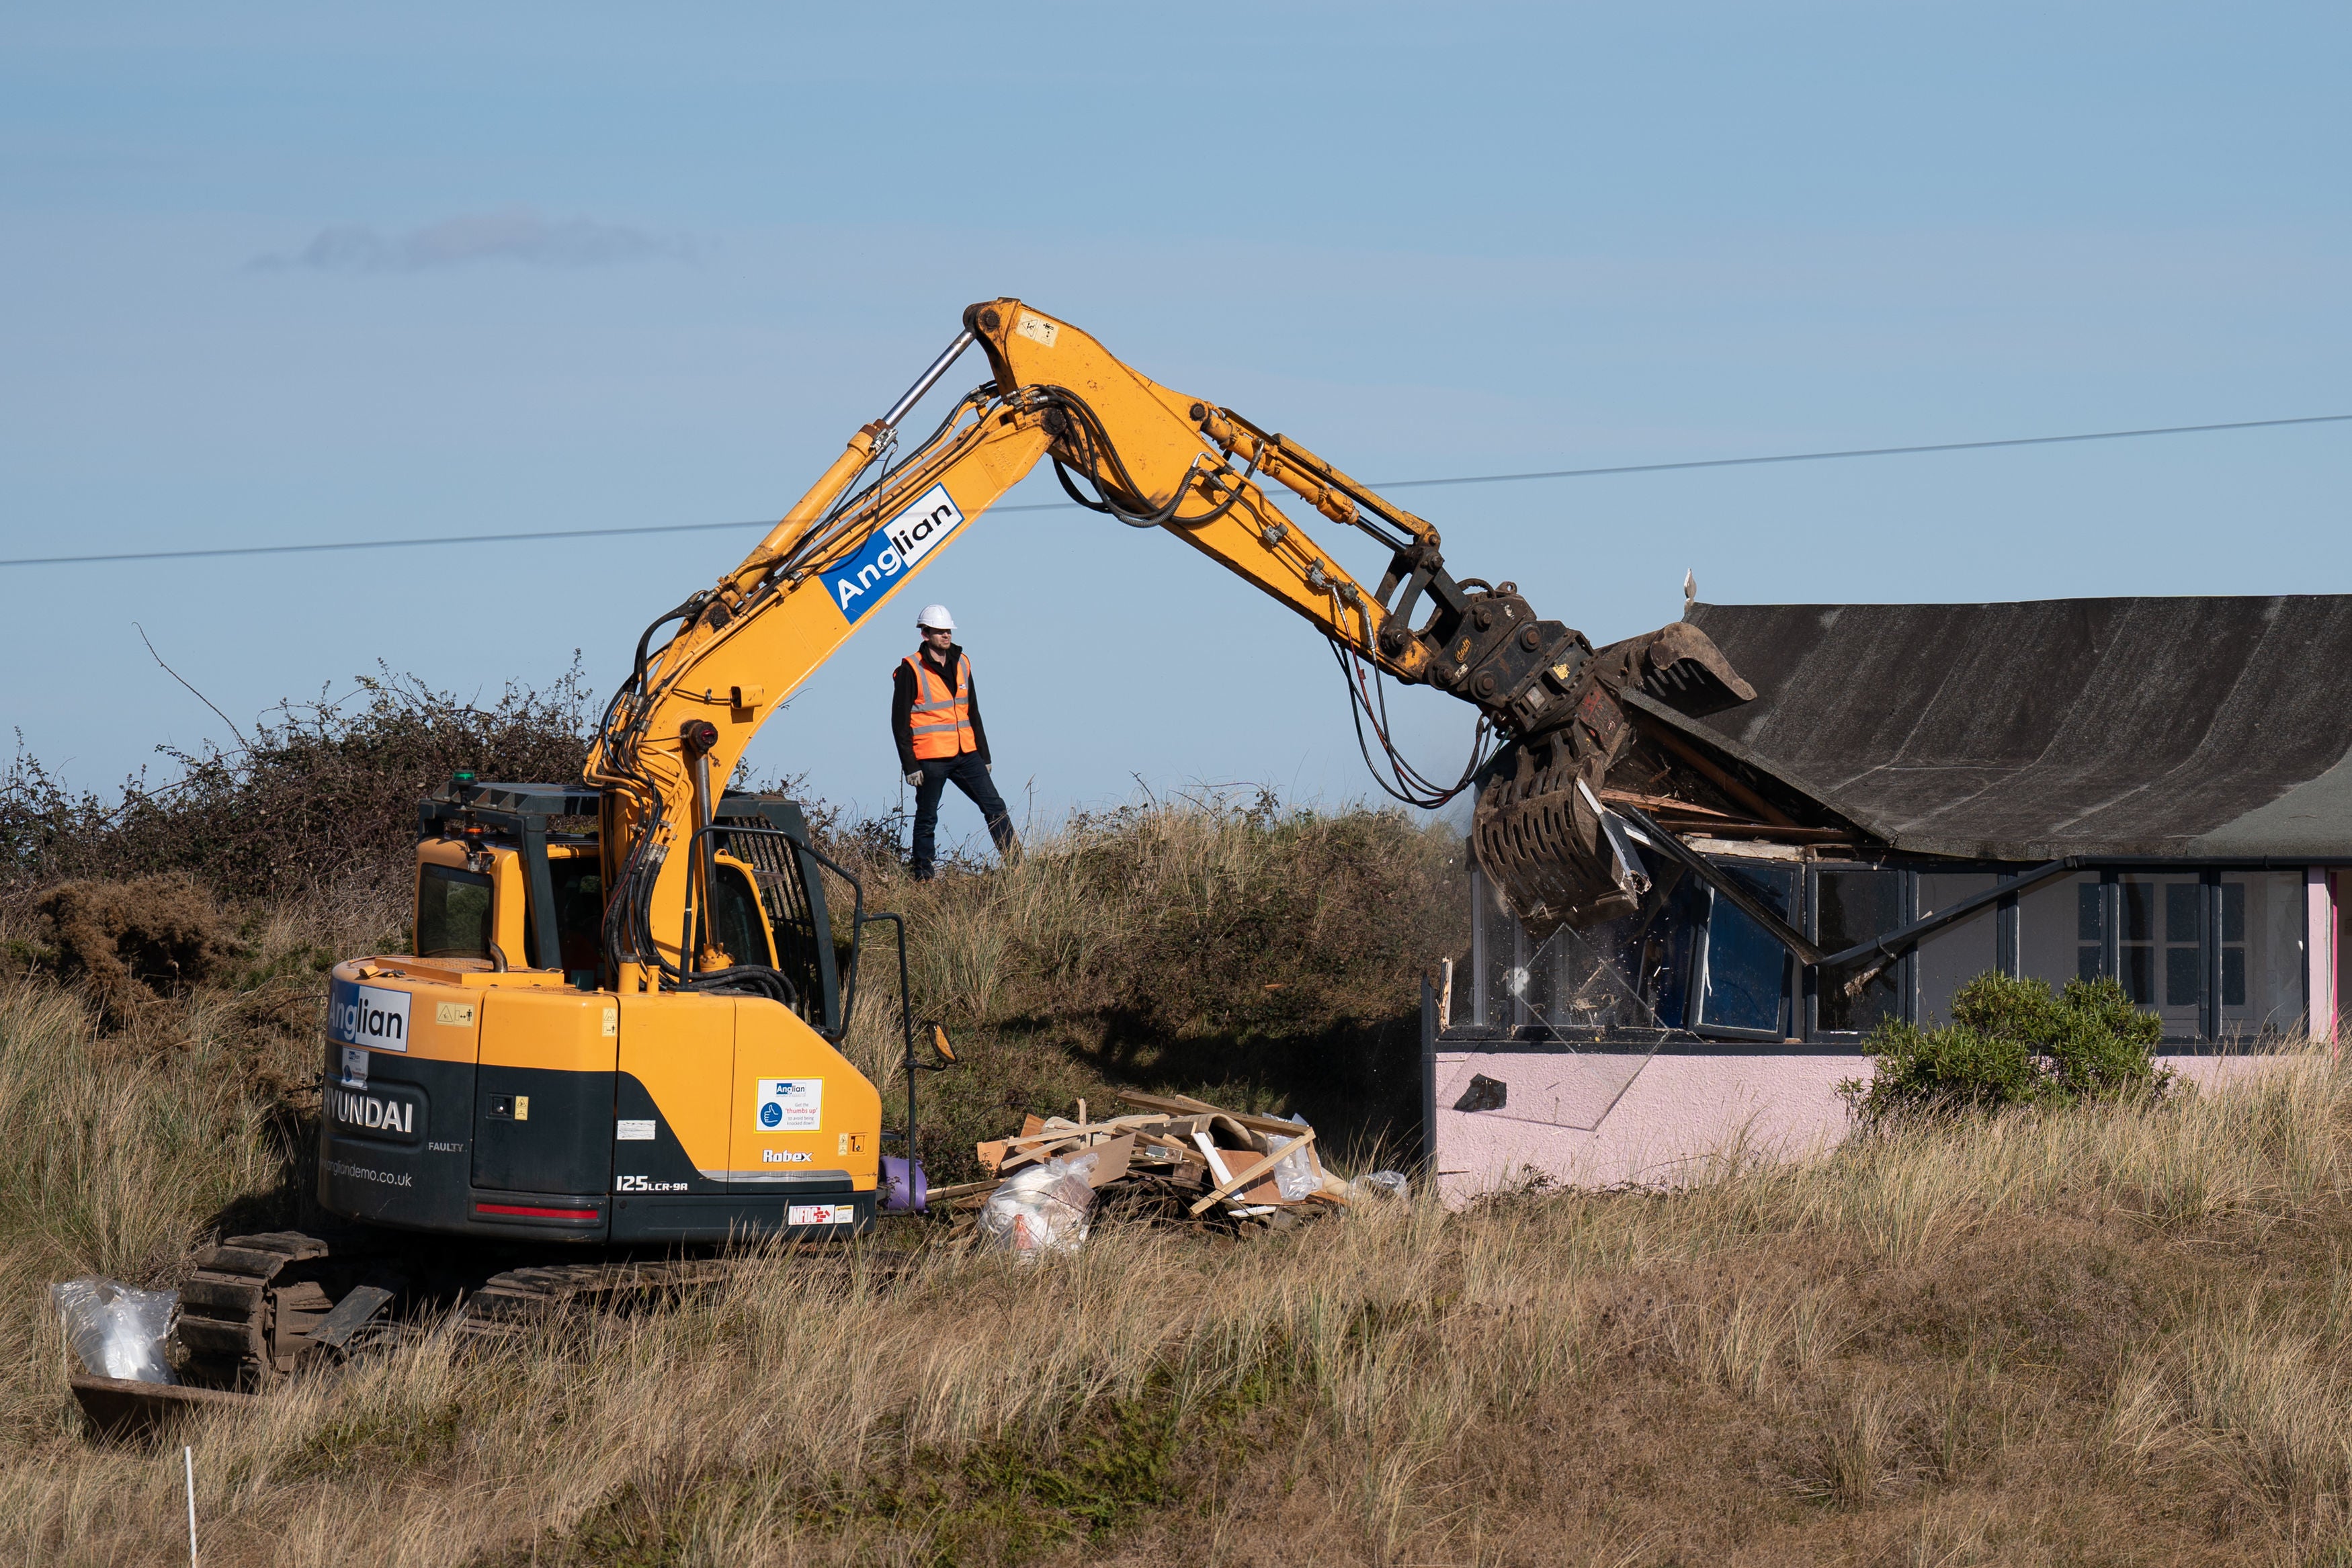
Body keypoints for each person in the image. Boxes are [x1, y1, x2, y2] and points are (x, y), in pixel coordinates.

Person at [891, 605, 1018, 879]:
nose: (946, 635)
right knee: (927, 818)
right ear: (925, 634)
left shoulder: (963, 662)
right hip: (931, 758)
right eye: (939, 631)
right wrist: (910, 766)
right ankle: (923, 877)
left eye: (948, 630)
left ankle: (1018, 866)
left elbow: (973, 710)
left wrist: (984, 755)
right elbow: (899, 723)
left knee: (995, 806)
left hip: (966, 754)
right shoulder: (911, 668)